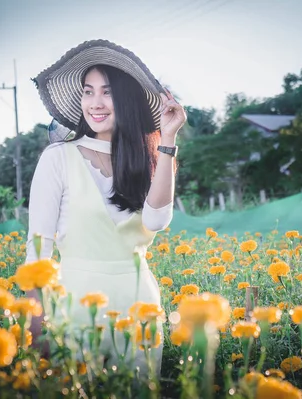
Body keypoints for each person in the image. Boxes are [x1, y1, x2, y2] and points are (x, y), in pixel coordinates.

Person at [24, 40, 186, 375]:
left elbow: (157, 220)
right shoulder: (58, 157)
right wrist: (35, 325)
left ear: (126, 99)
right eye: (88, 91)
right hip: (77, 309)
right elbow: (38, 249)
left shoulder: (148, 161)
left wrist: (168, 140)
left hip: (140, 305)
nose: (95, 103)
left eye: (107, 92)